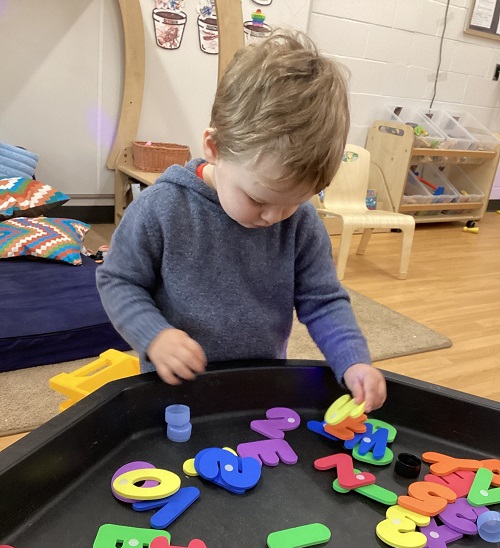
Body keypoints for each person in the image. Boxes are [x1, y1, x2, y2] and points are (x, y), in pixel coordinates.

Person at [97, 30, 386, 412]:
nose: (274, 217)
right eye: (258, 199)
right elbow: (118, 279)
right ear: (214, 149)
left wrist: (354, 359)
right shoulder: (162, 208)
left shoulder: (300, 222)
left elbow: (323, 300)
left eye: (294, 202)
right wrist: (155, 336)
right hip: (174, 389)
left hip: (259, 386)